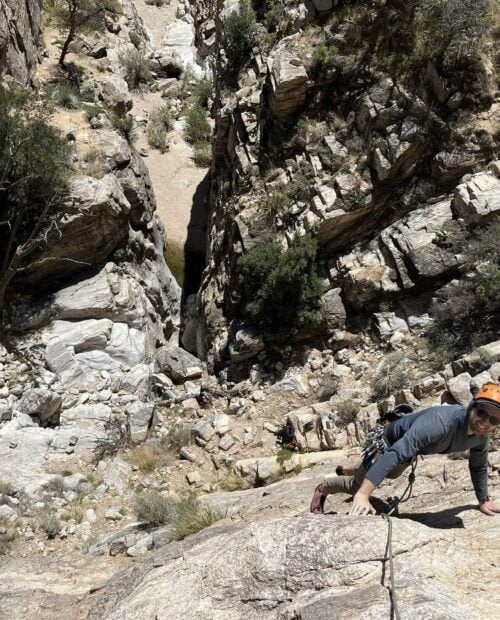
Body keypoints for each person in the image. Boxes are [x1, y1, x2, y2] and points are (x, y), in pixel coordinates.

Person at [310, 382, 500, 517]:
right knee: (355, 485)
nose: (485, 422)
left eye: (494, 419)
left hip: (407, 450)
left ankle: (356, 467)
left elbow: (479, 466)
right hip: (388, 443)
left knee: (391, 475)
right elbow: (397, 452)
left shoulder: (481, 437)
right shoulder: (440, 424)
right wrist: (362, 494)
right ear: (471, 408)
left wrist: (483, 501)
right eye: (482, 413)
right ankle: (324, 487)